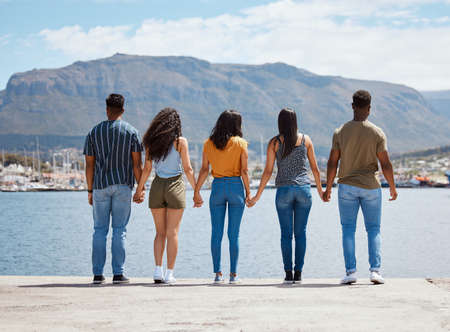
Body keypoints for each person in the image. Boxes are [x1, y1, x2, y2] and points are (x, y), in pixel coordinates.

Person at [324, 90, 397, 285]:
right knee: (373, 229)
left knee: (348, 229)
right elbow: (386, 164)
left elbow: (332, 163)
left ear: (353, 106)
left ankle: (350, 272)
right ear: (369, 108)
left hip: (346, 186)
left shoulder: (340, 132)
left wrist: (328, 188)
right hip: (371, 187)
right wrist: (392, 187)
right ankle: (375, 271)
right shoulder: (377, 132)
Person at [248, 108, 323, 284]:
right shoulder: (306, 140)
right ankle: (299, 274)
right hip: (304, 190)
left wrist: (257, 196)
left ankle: (288, 274)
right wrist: (321, 191)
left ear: (280, 122)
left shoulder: (274, 143)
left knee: (286, 235)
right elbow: (315, 169)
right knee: (301, 233)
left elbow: (267, 172)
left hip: (283, 191)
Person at [84, 93, 143, 285]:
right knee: (120, 230)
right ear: (123, 110)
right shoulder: (131, 132)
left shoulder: (93, 132)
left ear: (107, 109)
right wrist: (140, 189)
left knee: (99, 230)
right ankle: (118, 274)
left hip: (100, 186)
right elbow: (137, 165)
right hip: (123, 186)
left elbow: (89, 165)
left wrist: (90, 190)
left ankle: (98, 275)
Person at [133, 108, 196, 284]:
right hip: (175, 185)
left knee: (159, 233)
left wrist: (139, 190)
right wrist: (196, 191)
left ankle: (157, 271)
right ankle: (169, 274)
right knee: (173, 233)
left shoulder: (151, 142)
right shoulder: (180, 142)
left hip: (157, 186)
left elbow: (147, 169)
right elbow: (188, 169)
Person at [194, 110, 251, 284]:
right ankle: (233, 276)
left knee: (216, 233)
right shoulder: (241, 143)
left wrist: (196, 191)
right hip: (235, 187)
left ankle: (217, 275)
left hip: (217, 187)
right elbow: (244, 171)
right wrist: (249, 193)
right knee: (234, 234)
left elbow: (204, 170)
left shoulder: (208, 143)